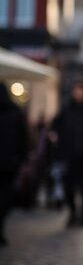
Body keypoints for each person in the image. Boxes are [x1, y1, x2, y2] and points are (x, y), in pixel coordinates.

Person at [51, 77, 83, 228]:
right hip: (68, 155)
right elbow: (56, 126)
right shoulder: (66, 110)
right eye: (76, 90)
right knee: (69, 186)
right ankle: (72, 213)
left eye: (82, 91)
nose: (79, 93)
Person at [0, 83, 28, 246]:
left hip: (9, 162)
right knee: (6, 196)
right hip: (11, 162)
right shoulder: (15, 111)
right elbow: (23, 138)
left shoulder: (14, 112)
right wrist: (22, 158)